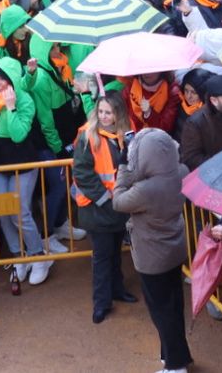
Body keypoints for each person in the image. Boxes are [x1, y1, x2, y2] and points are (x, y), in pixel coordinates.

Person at [110, 127, 193, 373]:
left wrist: (124, 168)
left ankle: (176, 364)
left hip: (151, 257)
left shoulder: (146, 190)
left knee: (161, 311)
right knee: (174, 306)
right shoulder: (181, 172)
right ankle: (172, 355)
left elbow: (118, 201)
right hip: (175, 249)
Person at [72, 90, 135, 324]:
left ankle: (117, 290)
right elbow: (81, 173)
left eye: (108, 112)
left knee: (115, 253)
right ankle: (101, 303)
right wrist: (104, 198)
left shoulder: (125, 136)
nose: (104, 116)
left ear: (118, 113)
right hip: (97, 208)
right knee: (102, 257)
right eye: (101, 111)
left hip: (117, 206)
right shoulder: (87, 136)